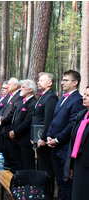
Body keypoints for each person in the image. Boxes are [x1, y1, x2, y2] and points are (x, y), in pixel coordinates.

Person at [46, 70, 85, 200]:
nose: (62, 82)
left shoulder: (78, 100)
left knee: (67, 183)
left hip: (65, 148)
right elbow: (55, 120)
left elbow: (72, 125)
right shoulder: (63, 98)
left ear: (75, 83)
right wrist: (49, 136)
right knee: (60, 183)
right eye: (62, 79)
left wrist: (57, 140)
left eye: (66, 80)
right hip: (55, 147)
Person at [30, 72, 58, 200]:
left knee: (47, 170)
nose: (38, 82)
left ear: (49, 83)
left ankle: (48, 195)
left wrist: (42, 138)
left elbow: (48, 120)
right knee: (41, 168)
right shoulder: (42, 97)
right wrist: (33, 137)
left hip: (45, 141)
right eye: (38, 80)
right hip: (38, 139)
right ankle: (42, 193)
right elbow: (36, 118)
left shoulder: (51, 97)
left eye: (41, 80)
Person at [64, 86, 89, 200]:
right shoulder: (82, 114)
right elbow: (74, 141)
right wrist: (71, 164)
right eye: (84, 94)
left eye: (88, 96)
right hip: (79, 162)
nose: (84, 97)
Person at [9, 79, 37, 170]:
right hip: (16, 139)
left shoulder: (33, 103)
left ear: (30, 90)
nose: (20, 89)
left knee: (27, 165)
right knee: (18, 164)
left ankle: (28, 184)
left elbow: (27, 122)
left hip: (25, 141)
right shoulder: (21, 102)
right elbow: (15, 118)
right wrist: (12, 131)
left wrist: (15, 132)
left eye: (23, 87)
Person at [0, 77, 23, 171]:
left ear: (16, 86)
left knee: (13, 157)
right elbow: (2, 109)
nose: (7, 86)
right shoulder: (9, 96)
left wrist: (3, 120)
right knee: (6, 154)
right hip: (4, 130)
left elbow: (13, 112)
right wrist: (0, 117)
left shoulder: (19, 96)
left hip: (10, 129)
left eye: (9, 84)